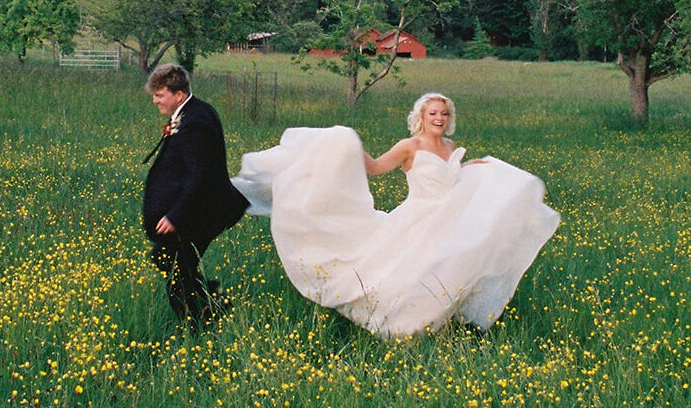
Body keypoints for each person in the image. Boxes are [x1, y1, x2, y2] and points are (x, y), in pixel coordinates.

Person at [233, 93, 561, 339]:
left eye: (444, 114)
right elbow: (376, 167)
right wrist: (348, 147)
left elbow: (451, 174)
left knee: (447, 268)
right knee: (405, 272)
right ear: (421, 115)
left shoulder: (449, 145)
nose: (439, 118)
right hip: (418, 218)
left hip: (447, 217)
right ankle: (402, 325)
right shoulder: (410, 145)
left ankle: (437, 323)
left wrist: (473, 166)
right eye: (433, 113)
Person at [142, 63, 249, 328]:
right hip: (202, 208)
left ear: (178, 94)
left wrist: (175, 216)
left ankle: (199, 323)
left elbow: (199, 176)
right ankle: (213, 309)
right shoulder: (192, 112)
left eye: (159, 94)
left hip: (203, 212)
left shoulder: (196, 122)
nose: (155, 100)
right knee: (173, 263)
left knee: (175, 267)